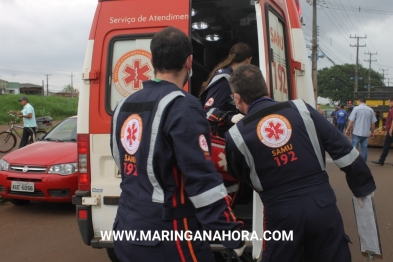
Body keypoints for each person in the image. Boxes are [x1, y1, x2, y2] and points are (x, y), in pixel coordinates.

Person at [110, 27, 244, 262]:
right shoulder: (184, 107)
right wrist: (230, 233)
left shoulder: (124, 106)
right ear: (189, 61)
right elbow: (202, 180)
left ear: (153, 60)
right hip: (168, 235)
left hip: (126, 227)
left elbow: (122, 162)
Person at [224, 64, 376, 262]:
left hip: (280, 213)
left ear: (237, 97)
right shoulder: (302, 110)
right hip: (322, 204)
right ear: (265, 89)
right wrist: (362, 187)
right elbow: (345, 151)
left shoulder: (235, 135)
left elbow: (240, 174)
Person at [199, 42, 253, 137]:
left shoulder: (233, 78)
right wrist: (230, 117)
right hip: (219, 137)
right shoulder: (225, 79)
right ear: (249, 60)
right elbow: (208, 111)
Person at [345, 96, 377, 161]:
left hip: (357, 133)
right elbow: (373, 123)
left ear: (359, 101)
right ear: (365, 101)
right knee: (364, 149)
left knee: (354, 149)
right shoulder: (370, 110)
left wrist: (347, 129)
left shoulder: (356, 109)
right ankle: (363, 164)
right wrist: (372, 132)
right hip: (366, 134)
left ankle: (353, 162)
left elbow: (351, 121)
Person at [371, 97, 393, 166]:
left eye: (389, 102)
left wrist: (391, 130)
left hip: (391, 130)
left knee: (386, 145)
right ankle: (381, 160)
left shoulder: (392, 110)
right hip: (390, 128)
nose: (388, 103)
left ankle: (381, 160)